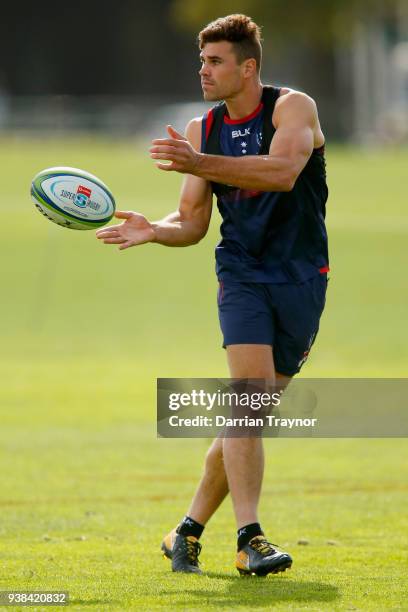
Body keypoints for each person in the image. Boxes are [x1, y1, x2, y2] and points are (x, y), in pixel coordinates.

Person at [96, 14, 329, 577]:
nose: (203, 70)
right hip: (242, 276)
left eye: (216, 61)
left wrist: (199, 164)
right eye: (202, 60)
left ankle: (187, 530)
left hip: (302, 278)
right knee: (247, 403)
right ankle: (250, 538)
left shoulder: (292, 108)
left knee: (250, 416)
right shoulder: (202, 130)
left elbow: (282, 171)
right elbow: (193, 221)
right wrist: (155, 229)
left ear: (248, 67)